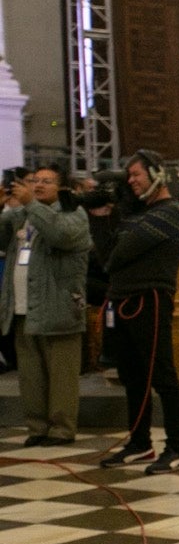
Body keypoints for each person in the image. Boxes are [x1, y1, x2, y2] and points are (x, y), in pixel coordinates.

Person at [91, 151, 179, 474]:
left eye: (136, 174)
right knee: (132, 377)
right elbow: (105, 256)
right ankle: (140, 443)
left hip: (150, 300)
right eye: (128, 175)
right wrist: (98, 216)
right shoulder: (136, 214)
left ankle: (177, 448)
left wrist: (115, 222)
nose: (131, 181)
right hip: (121, 299)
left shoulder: (170, 214)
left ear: (157, 175)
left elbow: (118, 254)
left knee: (162, 375)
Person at [1, 165, 91, 446]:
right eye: (34, 181)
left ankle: (62, 429)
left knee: (61, 374)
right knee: (30, 375)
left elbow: (60, 235)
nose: (38, 186)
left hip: (59, 308)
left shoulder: (74, 214)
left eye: (46, 181)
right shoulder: (22, 216)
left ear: (62, 187)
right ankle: (37, 427)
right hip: (23, 308)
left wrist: (29, 204)